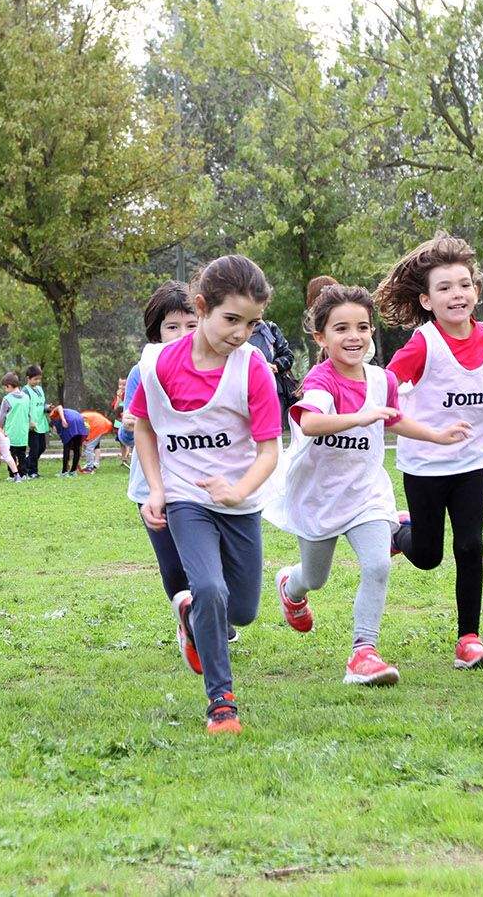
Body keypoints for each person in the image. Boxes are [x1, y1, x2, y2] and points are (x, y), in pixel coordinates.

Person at [269, 284, 470, 686]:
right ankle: (291, 587)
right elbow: (310, 422)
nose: (354, 336)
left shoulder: (381, 380)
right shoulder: (320, 380)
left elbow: (392, 418)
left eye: (362, 327)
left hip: (367, 494)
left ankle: (364, 653)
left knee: (377, 564)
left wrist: (436, 434)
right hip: (319, 497)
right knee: (316, 577)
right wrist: (360, 417)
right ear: (320, 337)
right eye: (341, 328)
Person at [126, 256, 282, 734]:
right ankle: (222, 703)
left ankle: (196, 620)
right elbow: (146, 428)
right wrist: (156, 489)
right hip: (186, 500)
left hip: (239, 503)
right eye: (231, 319)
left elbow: (270, 449)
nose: (240, 333)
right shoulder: (158, 366)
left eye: (252, 323)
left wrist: (239, 491)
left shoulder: (253, 369)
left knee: (242, 610)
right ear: (202, 307)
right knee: (209, 588)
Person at [375, 234, 483, 671]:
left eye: (463, 285)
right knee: (428, 554)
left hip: (471, 460)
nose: (456, 294)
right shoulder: (423, 344)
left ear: (476, 291)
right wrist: (430, 433)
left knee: (471, 546)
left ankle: (469, 639)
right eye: (444, 288)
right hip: (425, 463)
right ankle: (396, 533)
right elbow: (385, 393)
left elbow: (478, 392)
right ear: (427, 300)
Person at [122, 282, 203, 652]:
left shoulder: (215, 367)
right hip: (151, 488)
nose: (182, 335)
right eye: (172, 327)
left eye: (191, 324)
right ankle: (190, 619)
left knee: (207, 562)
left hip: (201, 484)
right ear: (156, 331)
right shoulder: (144, 371)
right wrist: (130, 426)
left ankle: (209, 618)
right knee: (173, 567)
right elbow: (129, 436)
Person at [247, 314, 296, 429]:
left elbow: (288, 355)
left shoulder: (270, 329)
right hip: (244, 389)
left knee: (272, 430)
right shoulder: (235, 333)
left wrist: (275, 365)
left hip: (273, 389)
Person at [0, 374, 31, 482]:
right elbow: (29, 414)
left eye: (5, 387)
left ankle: (12, 475)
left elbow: (2, 416)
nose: (5, 390)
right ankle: (24, 474)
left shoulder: (7, 399)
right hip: (23, 432)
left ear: (9, 386)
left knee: (10, 455)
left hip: (10, 432)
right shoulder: (26, 397)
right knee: (22, 454)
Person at [49, 404, 89, 476]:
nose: (54, 431)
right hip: (80, 419)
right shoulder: (65, 414)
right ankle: (73, 471)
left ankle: (64, 472)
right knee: (77, 448)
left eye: (53, 429)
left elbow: (59, 407)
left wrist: (63, 419)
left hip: (70, 421)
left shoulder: (52, 415)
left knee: (66, 448)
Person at [24, 366, 48, 480]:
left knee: (42, 447)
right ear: (28, 378)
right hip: (32, 425)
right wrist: (29, 421)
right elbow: (25, 407)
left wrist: (47, 408)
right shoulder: (25, 391)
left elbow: (42, 404)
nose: (37, 381)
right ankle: (32, 471)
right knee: (34, 448)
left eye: (39, 379)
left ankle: (26, 463)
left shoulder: (39, 389)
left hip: (41, 423)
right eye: (35, 379)